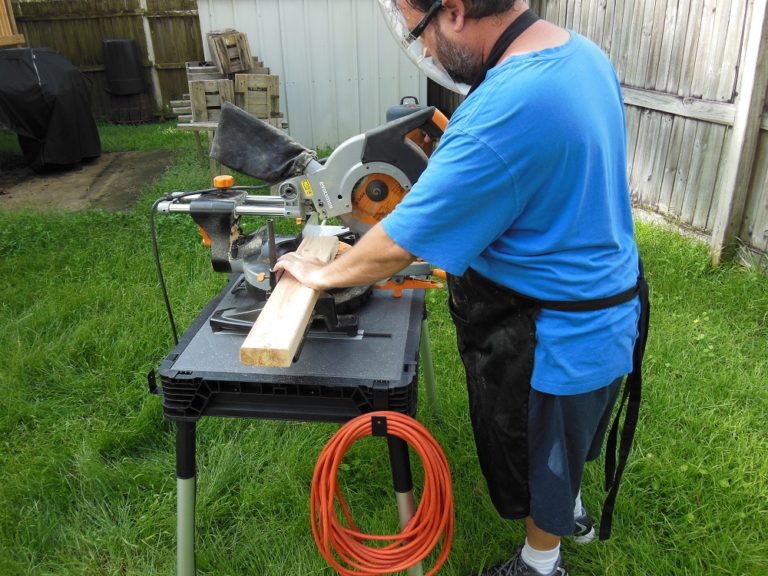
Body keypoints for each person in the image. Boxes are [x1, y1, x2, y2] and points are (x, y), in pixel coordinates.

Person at [275, 1, 648, 574]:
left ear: (453, 11)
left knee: (538, 452)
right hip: (608, 303)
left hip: (552, 331)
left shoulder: (507, 104)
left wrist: (323, 273)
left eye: (416, 29)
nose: (422, 50)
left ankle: (539, 561)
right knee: (569, 441)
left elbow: (403, 240)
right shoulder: (577, 53)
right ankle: (567, 506)